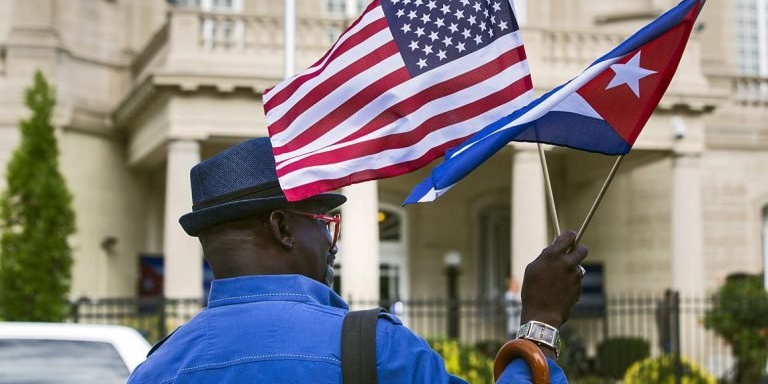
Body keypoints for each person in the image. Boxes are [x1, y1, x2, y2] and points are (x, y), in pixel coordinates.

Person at [127, 137, 588, 383]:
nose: (332, 243)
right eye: (323, 222)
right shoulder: (372, 349)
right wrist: (541, 323)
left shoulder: (159, 369)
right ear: (282, 228)